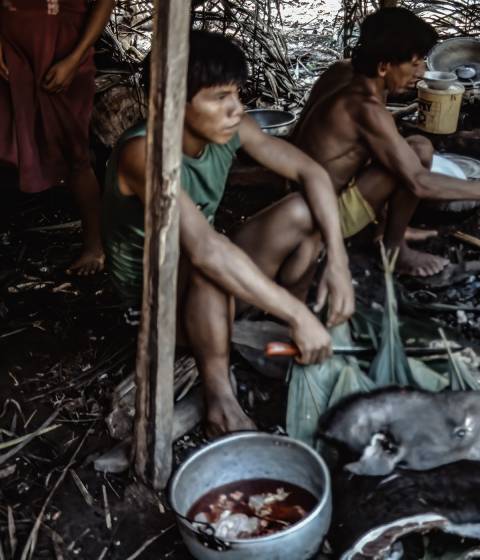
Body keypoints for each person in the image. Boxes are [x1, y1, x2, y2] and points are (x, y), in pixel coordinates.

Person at [102, 31, 351, 436]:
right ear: (169, 102)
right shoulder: (142, 154)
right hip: (158, 302)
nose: (236, 109)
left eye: (236, 93)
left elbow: (312, 173)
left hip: (210, 280)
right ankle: (220, 398)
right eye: (219, 97)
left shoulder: (233, 127)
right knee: (209, 261)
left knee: (306, 213)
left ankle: (285, 329)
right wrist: (300, 314)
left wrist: (338, 264)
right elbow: (205, 250)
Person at [291, 7, 480, 277]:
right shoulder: (366, 108)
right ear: (384, 66)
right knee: (417, 154)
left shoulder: (345, 73)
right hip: (320, 218)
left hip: (299, 199)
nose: (420, 73)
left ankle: (387, 230)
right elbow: (418, 182)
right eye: (415, 63)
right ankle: (395, 251)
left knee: (414, 146)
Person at [0, 0, 115, 274]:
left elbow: (104, 2)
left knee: (74, 152)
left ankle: (94, 245)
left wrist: (74, 60)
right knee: (5, 138)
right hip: (11, 51)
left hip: (63, 52)